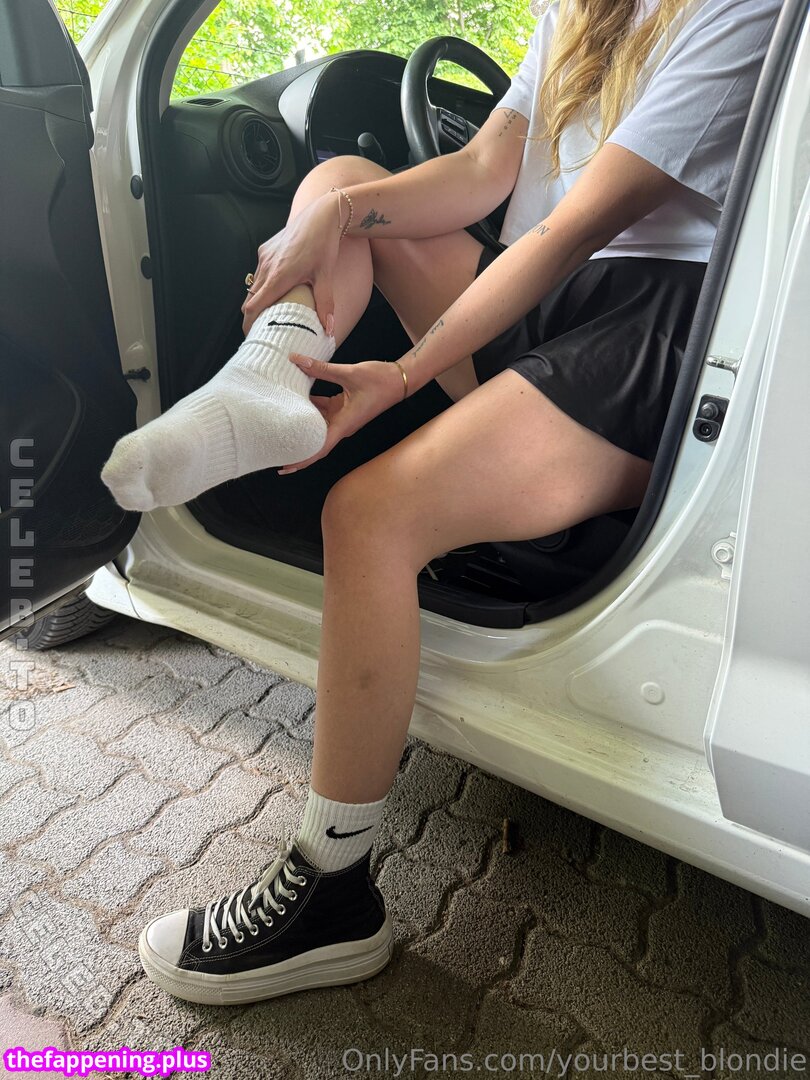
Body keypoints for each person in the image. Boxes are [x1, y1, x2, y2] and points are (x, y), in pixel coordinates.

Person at [102, 0, 780, 1004]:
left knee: (367, 514)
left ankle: (331, 896)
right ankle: (266, 384)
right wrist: (336, 213)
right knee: (337, 178)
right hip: (553, 290)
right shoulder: (584, 8)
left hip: (656, 323)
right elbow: (483, 169)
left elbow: (575, 225)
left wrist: (407, 373)